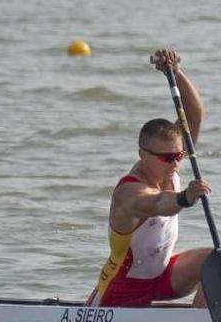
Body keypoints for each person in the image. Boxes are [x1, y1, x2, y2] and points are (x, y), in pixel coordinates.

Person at [88, 49, 212, 307]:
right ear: (142, 155)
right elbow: (158, 204)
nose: (176, 162)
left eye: (179, 155)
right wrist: (186, 197)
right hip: (119, 293)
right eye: (167, 158)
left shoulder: (170, 163)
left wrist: (176, 73)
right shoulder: (129, 193)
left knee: (213, 261)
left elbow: (195, 116)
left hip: (161, 278)